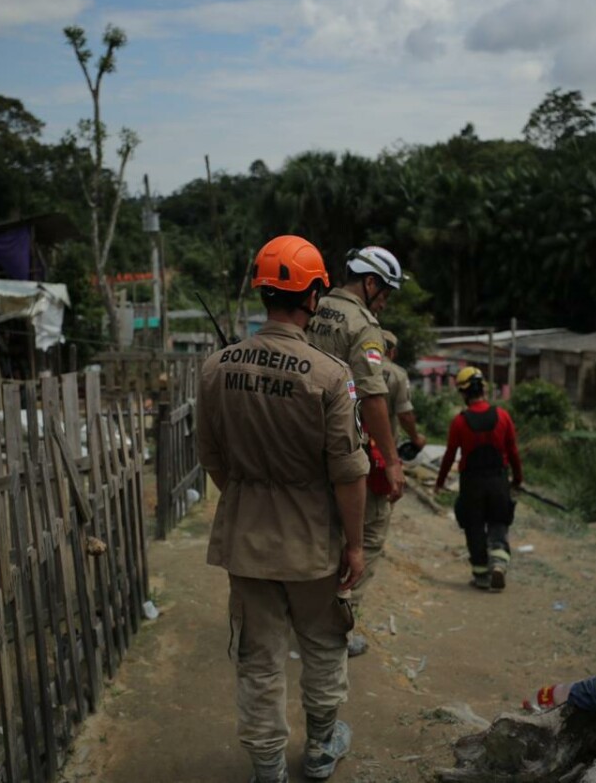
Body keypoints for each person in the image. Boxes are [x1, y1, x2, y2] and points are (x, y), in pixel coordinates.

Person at [197, 235, 369, 783]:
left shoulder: (216, 367)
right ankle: (320, 748)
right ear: (314, 295)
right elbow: (348, 473)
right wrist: (355, 545)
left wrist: (248, 499)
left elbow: (212, 458)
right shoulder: (330, 374)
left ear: (263, 291)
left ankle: (268, 768)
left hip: (246, 538)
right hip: (313, 541)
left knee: (259, 657)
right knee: (323, 644)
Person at [307, 246, 404, 657]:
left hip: (301, 445)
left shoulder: (313, 307)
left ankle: (306, 622)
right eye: (385, 293)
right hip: (342, 449)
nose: (384, 302)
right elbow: (372, 395)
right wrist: (393, 461)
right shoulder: (363, 326)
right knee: (359, 541)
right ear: (369, 282)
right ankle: (337, 632)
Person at [433, 367, 523, 592]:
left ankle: (481, 576)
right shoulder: (503, 416)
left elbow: (450, 455)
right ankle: (499, 563)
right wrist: (517, 479)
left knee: (473, 525)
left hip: (471, 483)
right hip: (498, 480)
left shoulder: (459, 422)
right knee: (499, 521)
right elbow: (513, 452)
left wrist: (440, 482)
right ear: (483, 388)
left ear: (463, 393)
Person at [380, 329, 426, 457]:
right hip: (384, 449)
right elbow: (405, 415)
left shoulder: (354, 368)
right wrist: (416, 438)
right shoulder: (397, 374)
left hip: (355, 445)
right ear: (392, 351)